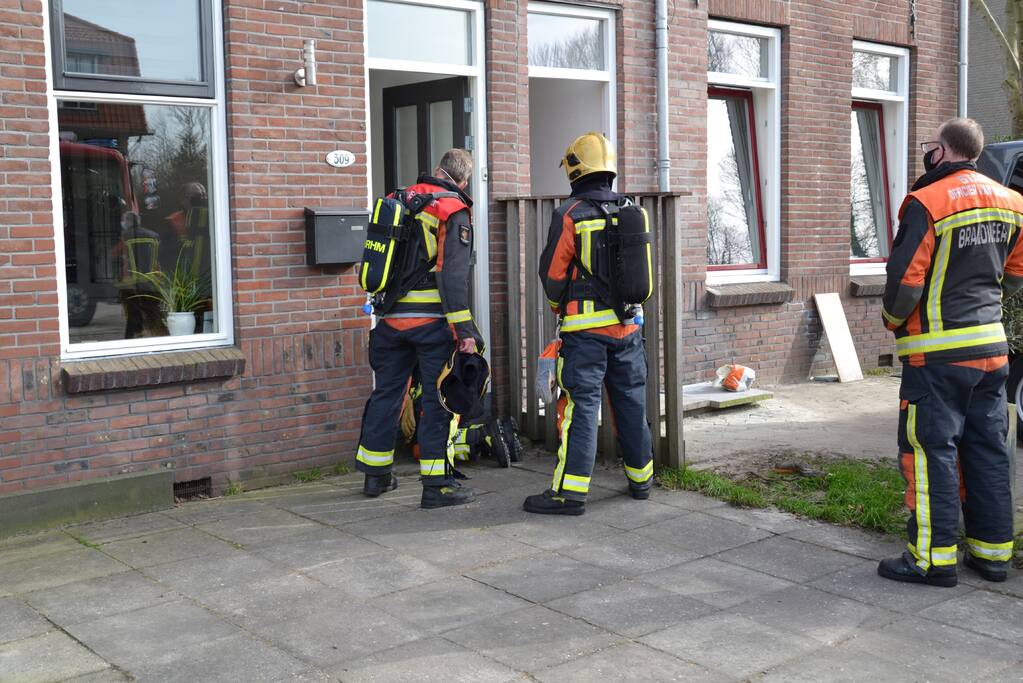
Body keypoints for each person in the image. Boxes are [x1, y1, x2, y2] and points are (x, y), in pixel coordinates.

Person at [878, 118, 1023, 586]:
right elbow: (1015, 277)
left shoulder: (927, 201)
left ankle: (931, 559)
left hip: (936, 357)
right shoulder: (1014, 203)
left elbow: (904, 285)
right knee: (987, 450)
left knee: (930, 451)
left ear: (940, 151)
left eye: (929, 147)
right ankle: (992, 555)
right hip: (992, 349)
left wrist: (894, 324)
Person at [523, 132, 654, 515]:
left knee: (581, 408)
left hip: (585, 335)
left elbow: (553, 275)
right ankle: (642, 480)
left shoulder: (570, 214)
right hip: (629, 329)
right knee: (631, 404)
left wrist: (558, 309)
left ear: (575, 171)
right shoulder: (630, 210)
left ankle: (570, 494)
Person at [354, 149, 484, 509]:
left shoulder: (398, 199)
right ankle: (437, 486)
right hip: (430, 326)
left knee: (387, 395)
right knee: (436, 401)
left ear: (437, 170)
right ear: (463, 181)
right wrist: (466, 331)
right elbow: (452, 278)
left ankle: (376, 476)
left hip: (390, 322)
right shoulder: (452, 210)